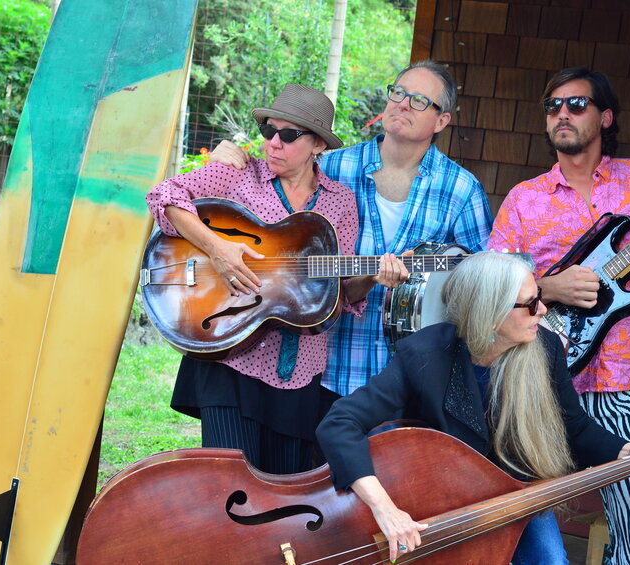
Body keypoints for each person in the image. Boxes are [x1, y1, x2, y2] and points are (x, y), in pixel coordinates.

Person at [316, 251, 630, 564]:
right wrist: (386, 508)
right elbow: (339, 423)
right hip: (442, 504)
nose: (543, 310)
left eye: (539, 297)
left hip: (515, 492)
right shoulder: (426, 354)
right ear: (490, 314)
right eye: (529, 304)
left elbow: (574, 427)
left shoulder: (544, 347)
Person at [488, 68, 630, 564]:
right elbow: (490, 287)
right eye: (552, 106)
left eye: (576, 104)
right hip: (535, 375)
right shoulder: (524, 198)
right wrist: (546, 285)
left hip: (621, 381)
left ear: (605, 117)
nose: (562, 113)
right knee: (516, 508)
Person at [209, 60, 494, 409]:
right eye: (398, 93)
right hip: (326, 367)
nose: (402, 103)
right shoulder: (332, 167)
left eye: (419, 100)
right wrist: (231, 157)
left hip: (411, 378)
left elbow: (481, 280)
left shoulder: (462, 190)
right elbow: (267, 216)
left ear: (441, 121)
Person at [145, 84, 366, 474]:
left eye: (288, 135)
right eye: (268, 131)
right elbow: (165, 196)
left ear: (318, 145)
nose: (273, 143)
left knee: (283, 498)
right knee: (231, 486)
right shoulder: (238, 174)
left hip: (299, 371)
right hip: (230, 350)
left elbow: (341, 294)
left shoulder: (341, 202)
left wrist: (375, 276)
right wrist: (217, 249)